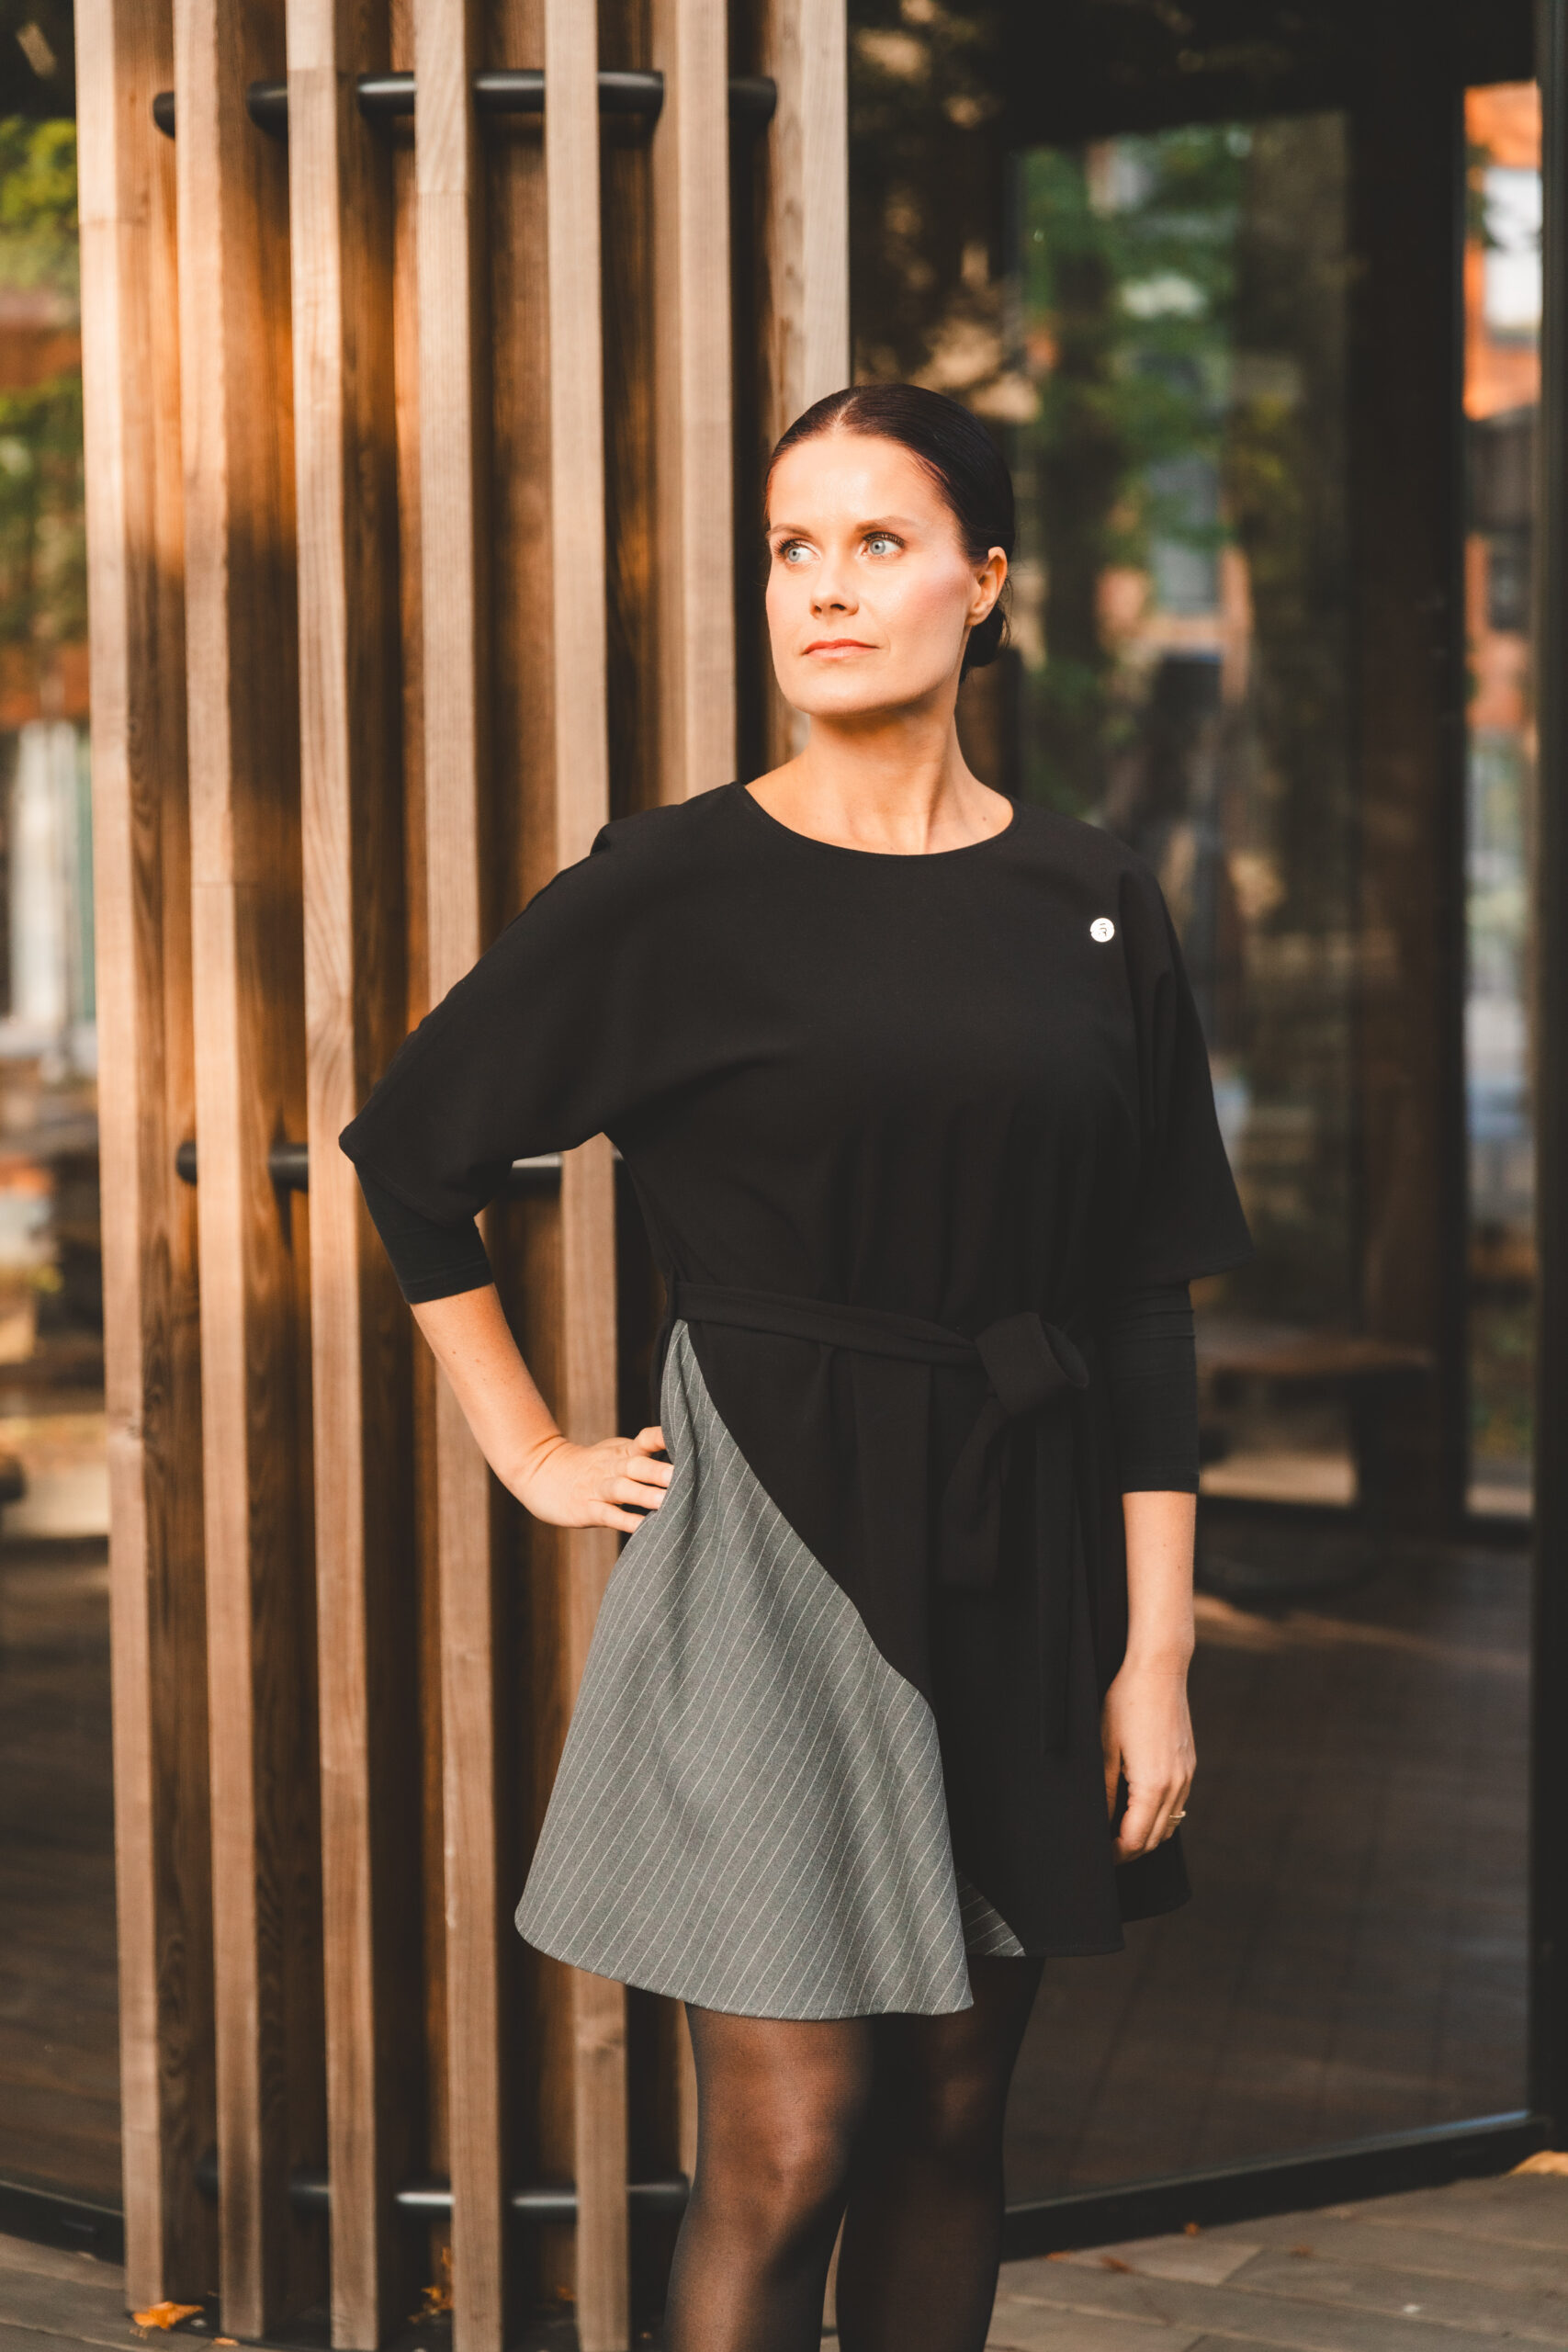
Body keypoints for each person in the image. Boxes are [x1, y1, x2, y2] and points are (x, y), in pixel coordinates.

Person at [339, 382, 1252, 2352]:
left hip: (1018, 1541)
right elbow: (411, 1155)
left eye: (876, 543)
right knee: (789, 2135)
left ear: (981, 583)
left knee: (948, 2116)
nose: (822, 589)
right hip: (769, 1538)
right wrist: (529, 1448)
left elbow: (1139, 1298)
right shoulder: (672, 885)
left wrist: (1157, 1650)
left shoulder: (1095, 898)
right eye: (788, 549)